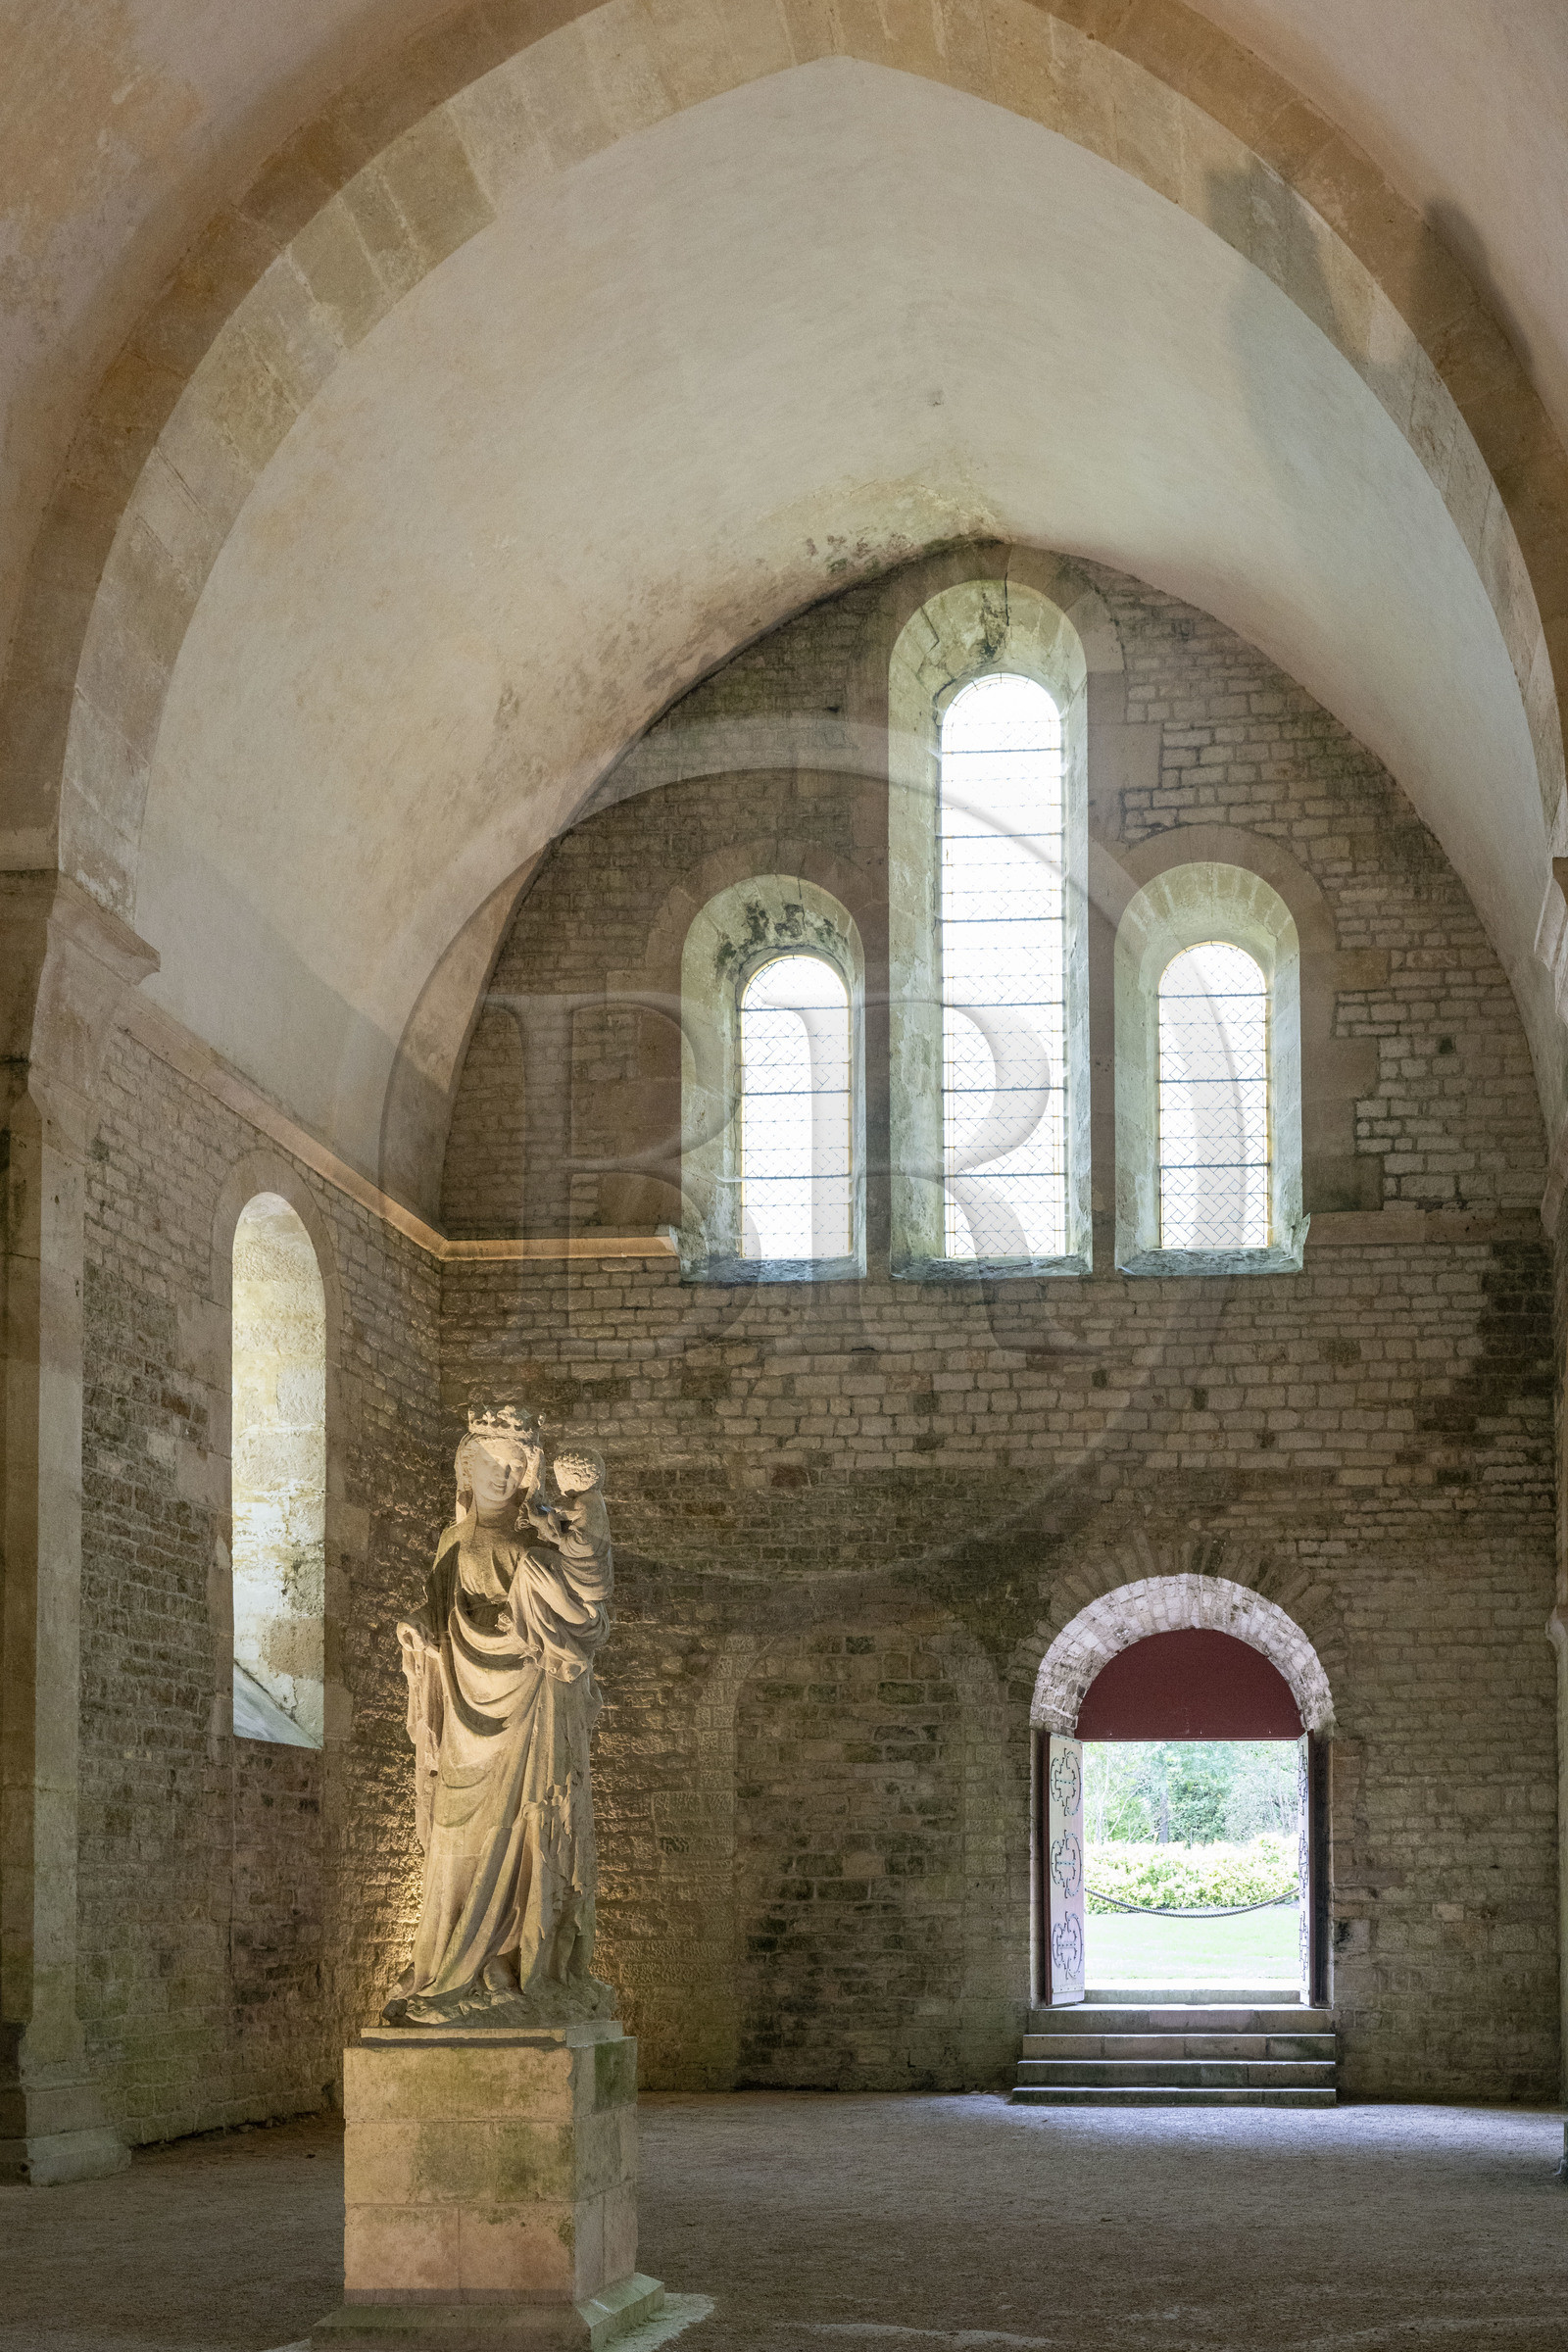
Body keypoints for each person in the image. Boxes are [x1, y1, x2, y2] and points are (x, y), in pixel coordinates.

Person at [384, 1400, 616, 2026]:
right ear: (467, 1465)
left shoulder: (540, 1538)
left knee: (531, 1824)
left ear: (528, 1474)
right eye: (487, 1461)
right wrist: (419, 1629)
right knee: (458, 1836)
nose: (500, 1474)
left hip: (534, 1702)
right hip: (464, 1708)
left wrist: (575, 1545)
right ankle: (452, 1962)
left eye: (513, 1465)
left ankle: (519, 1964)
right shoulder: (452, 1540)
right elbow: (440, 1606)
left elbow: (586, 1610)